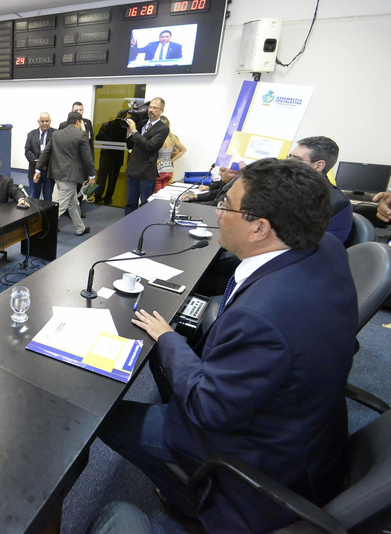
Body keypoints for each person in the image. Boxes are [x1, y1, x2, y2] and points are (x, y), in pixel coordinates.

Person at [99, 158, 358, 533]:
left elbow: (208, 408)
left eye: (227, 205)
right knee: (172, 352)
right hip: (307, 424)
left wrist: (169, 338)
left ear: (260, 228)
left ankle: (194, 502)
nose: (218, 212)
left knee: (110, 420)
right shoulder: (328, 247)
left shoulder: (262, 317)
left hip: (263, 454)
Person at [36, 111, 95, 235]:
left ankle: (80, 228)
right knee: (60, 206)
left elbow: (45, 152)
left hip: (57, 175)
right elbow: (87, 157)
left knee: (73, 203)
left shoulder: (56, 134)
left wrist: (38, 169)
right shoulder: (81, 135)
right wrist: (92, 175)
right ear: (78, 122)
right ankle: (41, 228)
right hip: (70, 176)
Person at [287, 136, 352, 244]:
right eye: (289, 157)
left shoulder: (336, 202)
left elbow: (326, 246)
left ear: (319, 165)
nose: (288, 162)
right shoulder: (289, 188)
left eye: (297, 159)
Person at [124, 97, 170, 215]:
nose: (151, 110)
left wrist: (134, 131)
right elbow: (129, 145)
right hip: (133, 169)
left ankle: (142, 226)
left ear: (161, 111)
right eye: (150, 107)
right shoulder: (141, 124)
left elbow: (150, 145)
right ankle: (127, 225)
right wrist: (129, 131)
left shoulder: (163, 129)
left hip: (147, 172)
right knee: (130, 203)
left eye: (155, 108)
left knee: (145, 204)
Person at [94, 110, 128, 204]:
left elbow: (98, 137)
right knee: (113, 179)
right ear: (125, 116)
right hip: (118, 155)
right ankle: (108, 198)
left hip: (105, 154)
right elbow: (127, 141)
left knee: (101, 177)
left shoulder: (106, 124)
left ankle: (97, 197)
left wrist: (109, 140)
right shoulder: (126, 127)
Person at [24, 112, 56, 201]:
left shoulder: (55, 133)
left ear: (50, 121)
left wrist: (45, 163)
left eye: (47, 121)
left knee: (48, 198)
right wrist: (38, 163)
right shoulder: (31, 134)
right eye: (42, 121)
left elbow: (56, 152)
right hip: (34, 170)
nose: (45, 123)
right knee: (34, 198)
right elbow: (27, 151)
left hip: (49, 171)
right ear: (38, 122)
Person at [153, 115, 187, 192]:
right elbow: (183, 150)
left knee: (156, 194)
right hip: (169, 170)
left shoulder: (158, 138)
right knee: (165, 193)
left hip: (158, 170)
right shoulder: (173, 137)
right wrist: (171, 160)